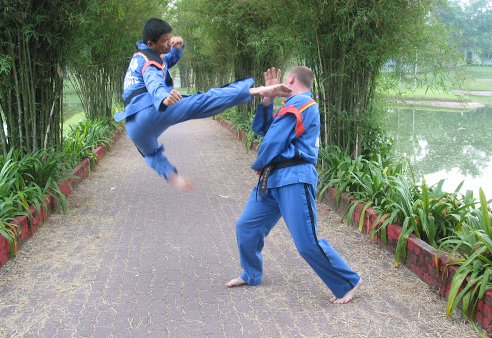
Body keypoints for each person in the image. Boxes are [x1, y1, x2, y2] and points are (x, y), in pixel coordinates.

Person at [226, 66, 362, 304]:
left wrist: (261, 161)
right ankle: (251, 274)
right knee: (246, 225)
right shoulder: (290, 106)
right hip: (274, 179)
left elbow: (275, 139)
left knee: (306, 242)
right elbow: (264, 130)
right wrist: (267, 99)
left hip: (293, 177)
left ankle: (348, 281)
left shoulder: (302, 103)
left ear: (289, 79)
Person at [114, 18, 291, 191]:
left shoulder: (141, 56)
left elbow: (164, 63)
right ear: (151, 43)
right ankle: (256, 90)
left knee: (151, 154)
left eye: (170, 38)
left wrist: (176, 49)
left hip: (133, 127)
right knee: (203, 101)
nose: (169, 43)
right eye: (165, 41)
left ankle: (174, 178)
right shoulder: (150, 62)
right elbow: (153, 79)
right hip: (150, 110)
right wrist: (163, 98)